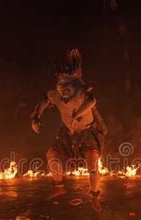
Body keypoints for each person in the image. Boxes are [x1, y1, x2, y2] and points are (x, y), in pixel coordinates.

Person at [30, 49, 107, 211]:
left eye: (67, 85)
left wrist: (77, 114)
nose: (64, 89)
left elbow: (92, 101)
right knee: (51, 155)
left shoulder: (81, 93)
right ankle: (59, 186)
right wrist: (37, 115)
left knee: (92, 164)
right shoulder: (55, 95)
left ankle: (94, 195)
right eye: (61, 85)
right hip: (68, 133)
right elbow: (45, 100)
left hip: (87, 132)